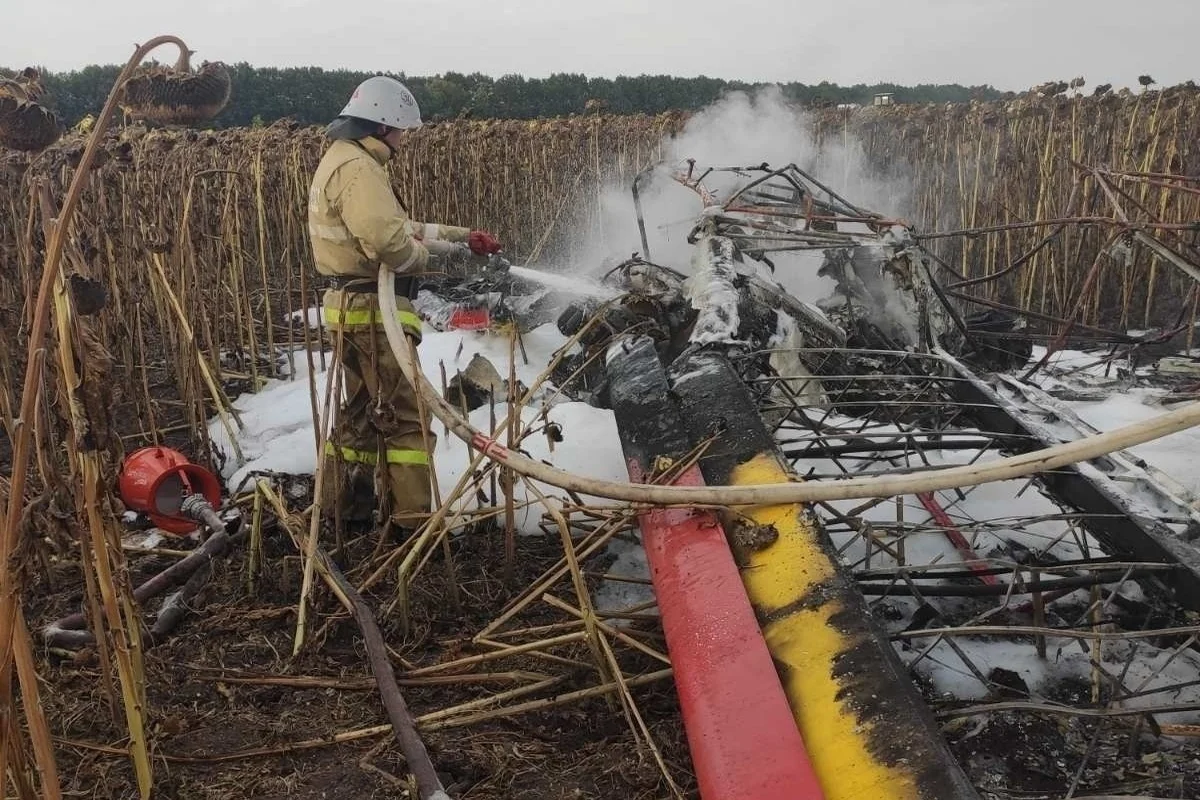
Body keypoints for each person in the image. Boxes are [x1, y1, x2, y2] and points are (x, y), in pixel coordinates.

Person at [308, 75, 502, 532]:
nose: (403, 140)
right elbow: (387, 240)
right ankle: (414, 521)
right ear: (380, 127)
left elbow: (398, 225)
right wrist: (417, 262)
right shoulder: (359, 169)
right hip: (373, 314)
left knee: (359, 413)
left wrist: (461, 241)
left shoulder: (342, 160)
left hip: (349, 310)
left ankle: (342, 509)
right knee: (406, 418)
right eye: (400, 131)